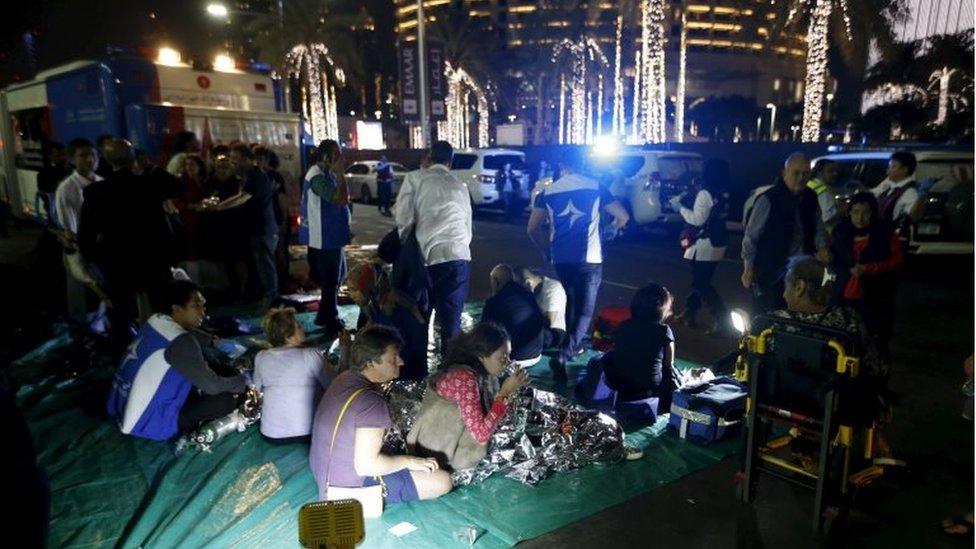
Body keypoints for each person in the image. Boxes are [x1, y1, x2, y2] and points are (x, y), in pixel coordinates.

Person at [758, 256, 896, 463]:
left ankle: (805, 439)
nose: (784, 293)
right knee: (870, 383)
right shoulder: (847, 323)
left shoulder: (769, 323)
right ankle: (877, 444)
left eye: (786, 285)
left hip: (779, 398)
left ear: (799, 287)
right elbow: (876, 367)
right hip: (830, 406)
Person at [309, 326, 453, 503]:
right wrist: (409, 461)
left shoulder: (344, 378)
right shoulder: (371, 402)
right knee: (442, 481)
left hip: (324, 472)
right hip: (346, 488)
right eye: (393, 358)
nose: (401, 362)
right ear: (370, 363)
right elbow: (366, 466)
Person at [527, 149, 630, 381]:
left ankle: (571, 345)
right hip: (589, 258)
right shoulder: (596, 186)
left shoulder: (547, 191)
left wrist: (546, 250)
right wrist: (610, 231)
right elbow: (623, 216)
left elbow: (532, 228)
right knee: (585, 309)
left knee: (572, 299)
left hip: (561, 258)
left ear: (562, 165)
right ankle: (564, 354)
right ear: (582, 164)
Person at [78, 139, 184, 352]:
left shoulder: (96, 192)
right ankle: (169, 352)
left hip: (118, 262)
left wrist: (94, 259)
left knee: (121, 314)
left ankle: (124, 357)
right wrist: (151, 167)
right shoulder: (149, 183)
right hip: (154, 259)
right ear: (134, 158)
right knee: (163, 309)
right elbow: (178, 187)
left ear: (105, 160)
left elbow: (86, 234)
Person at [106, 280, 246, 441]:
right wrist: (239, 381)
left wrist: (213, 341)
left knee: (205, 359)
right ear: (176, 309)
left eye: (203, 305)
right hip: (147, 422)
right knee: (225, 400)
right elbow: (213, 387)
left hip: (119, 406)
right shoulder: (182, 342)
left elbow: (186, 335)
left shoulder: (154, 320)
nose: (203, 312)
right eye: (196, 306)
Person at [407, 322, 530, 470]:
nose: (507, 362)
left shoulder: (482, 372)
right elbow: (481, 435)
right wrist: (504, 394)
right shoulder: (464, 378)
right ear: (481, 356)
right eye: (502, 357)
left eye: (508, 355)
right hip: (438, 451)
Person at [395, 140, 473, 353]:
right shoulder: (460, 186)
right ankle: (451, 378)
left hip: (426, 258)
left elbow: (403, 219)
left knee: (419, 318)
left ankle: (417, 374)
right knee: (451, 325)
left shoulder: (415, 179)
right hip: (458, 259)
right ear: (451, 160)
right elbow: (467, 228)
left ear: (429, 157)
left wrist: (409, 248)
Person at [741, 152, 828, 314]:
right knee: (768, 312)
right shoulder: (768, 199)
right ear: (784, 173)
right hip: (772, 268)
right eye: (796, 173)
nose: (801, 178)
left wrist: (822, 248)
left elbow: (819, 228)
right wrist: (748, 267)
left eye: (806, 173)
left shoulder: (811, 197)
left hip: (802, 270)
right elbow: (751, 236)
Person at [830, 192, 903, 360]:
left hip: (875, 294)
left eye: (865, 213)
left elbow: (896, 261)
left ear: (873, 213)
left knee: (873, 333)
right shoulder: (840, 232)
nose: (860, 218)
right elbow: (834, 259)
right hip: (844, 292)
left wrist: (870, 269)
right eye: (855, 212)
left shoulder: (885, 234)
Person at [254, 307, 334, 443]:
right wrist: (346, 349)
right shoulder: (310, 355)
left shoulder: (261, 357)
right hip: (309, 432)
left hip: (271, 434)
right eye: (298, 326)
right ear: (287, 335)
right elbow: (334, 386)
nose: (302, 328)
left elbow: (256, 389)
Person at [671, 158, 731, 335]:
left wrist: (679, 208)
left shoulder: (705, 193)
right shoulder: (723, 191)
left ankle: (723, 321)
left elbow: (698, 220)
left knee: (702, 283)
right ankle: (689, 314)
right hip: (719, 241)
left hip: (704, 244)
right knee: (701, 281)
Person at [300, 139, 352, 337]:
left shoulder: (324, 174)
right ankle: (330, 319)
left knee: (337, 278)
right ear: (325, 156)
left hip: (332, 236)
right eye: (336, 155)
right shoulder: (317, 177)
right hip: (324, 238)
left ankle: (325, 315)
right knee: (331, 280)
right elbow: (339, 199)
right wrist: (340, 173)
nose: (340, 159)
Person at [345, 261, 428, 381]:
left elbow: (393, 357)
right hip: (405, 371)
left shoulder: (390, 315)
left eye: (354, 289)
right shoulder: (378, 304)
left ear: (369, 287)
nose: (351, 295)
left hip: (406, 377)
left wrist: (348, 348)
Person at [602, 283, 679, 409]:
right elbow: (668, 364)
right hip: (648, 385)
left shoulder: (625, 325)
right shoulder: (664, 331)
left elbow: (618, 352)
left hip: (617, 381)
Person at [53, 138, 104, 323]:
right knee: (85, 297)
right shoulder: (67, 189)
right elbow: (70, 228)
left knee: (103, 297)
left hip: (102, 250)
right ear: (72, 159)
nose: (89, 159)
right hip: (81, 251)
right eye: (83, 155)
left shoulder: (101, 182)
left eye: (92, 154)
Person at [230, 143, 279, 305]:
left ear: (246, 159)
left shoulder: (254, 175)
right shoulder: (250, 175)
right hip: (258, 228)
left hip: (263, 229)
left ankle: (270, 297)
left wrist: (219, 206)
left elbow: (243, 197)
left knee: (265, 265)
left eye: (235, 159)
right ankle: (265, 295)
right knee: (260, 265)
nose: (233, 162)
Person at [481, 264, 548, 366]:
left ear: (495, 281)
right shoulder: (529, 295)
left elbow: (484, 330)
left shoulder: (494, 301)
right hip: (536, 354)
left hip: (513, 359)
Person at [255, 146, 292, 291]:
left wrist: (283, 220)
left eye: (260, 158)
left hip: (275, 221)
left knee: (278, 253)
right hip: (264, 223)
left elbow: (282, 199)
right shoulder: (256, 176)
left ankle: (281, 283)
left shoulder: (273, 177)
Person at [516, 266, 567, 346]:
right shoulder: (528, 291)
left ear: (528, 282)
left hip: (554, 333)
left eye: (519, 287)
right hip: (534, 329)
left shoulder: (553, 288)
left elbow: (549, 322)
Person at [872, 151, 920, 233]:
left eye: (893, 167)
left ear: (905, 170)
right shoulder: (889, 186)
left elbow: (906, 221)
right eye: (889, 166)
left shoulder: (910, 193)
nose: (888, 170)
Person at [37, 142, 69, 225]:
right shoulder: (44, 173)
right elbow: (44, 193)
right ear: (50, 157)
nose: (63, 158)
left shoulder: (70, 170)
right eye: (58, 155)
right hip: (55, 211)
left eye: (64, 154)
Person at [808, 158, 840, 230]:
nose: (835, 174)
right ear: (820, 172)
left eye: (836, 171)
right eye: (830, 171)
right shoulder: (824, 191)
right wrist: (841, 211)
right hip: (826, 233)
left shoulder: (809, 184)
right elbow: (826, 217)